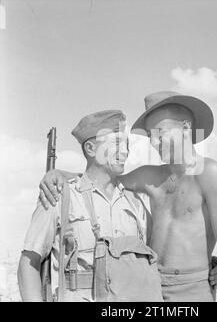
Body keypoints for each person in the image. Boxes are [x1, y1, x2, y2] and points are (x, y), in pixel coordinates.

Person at [40, 91, 217, 302]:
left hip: (192, 290)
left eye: (159, 132)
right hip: (148, 285)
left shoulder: (211, 173)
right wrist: (60, 174)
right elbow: (100, 178)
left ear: (185, 127)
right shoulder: (149, 175)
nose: (154, 142)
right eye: (150, 135)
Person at [18, 110, 163, 302]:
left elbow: (154, 258)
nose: (125, 151)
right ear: (91, 148)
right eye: (117, 144)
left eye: (127, 144)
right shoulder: (60, 196)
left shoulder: (135, 202)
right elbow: (29, 263)